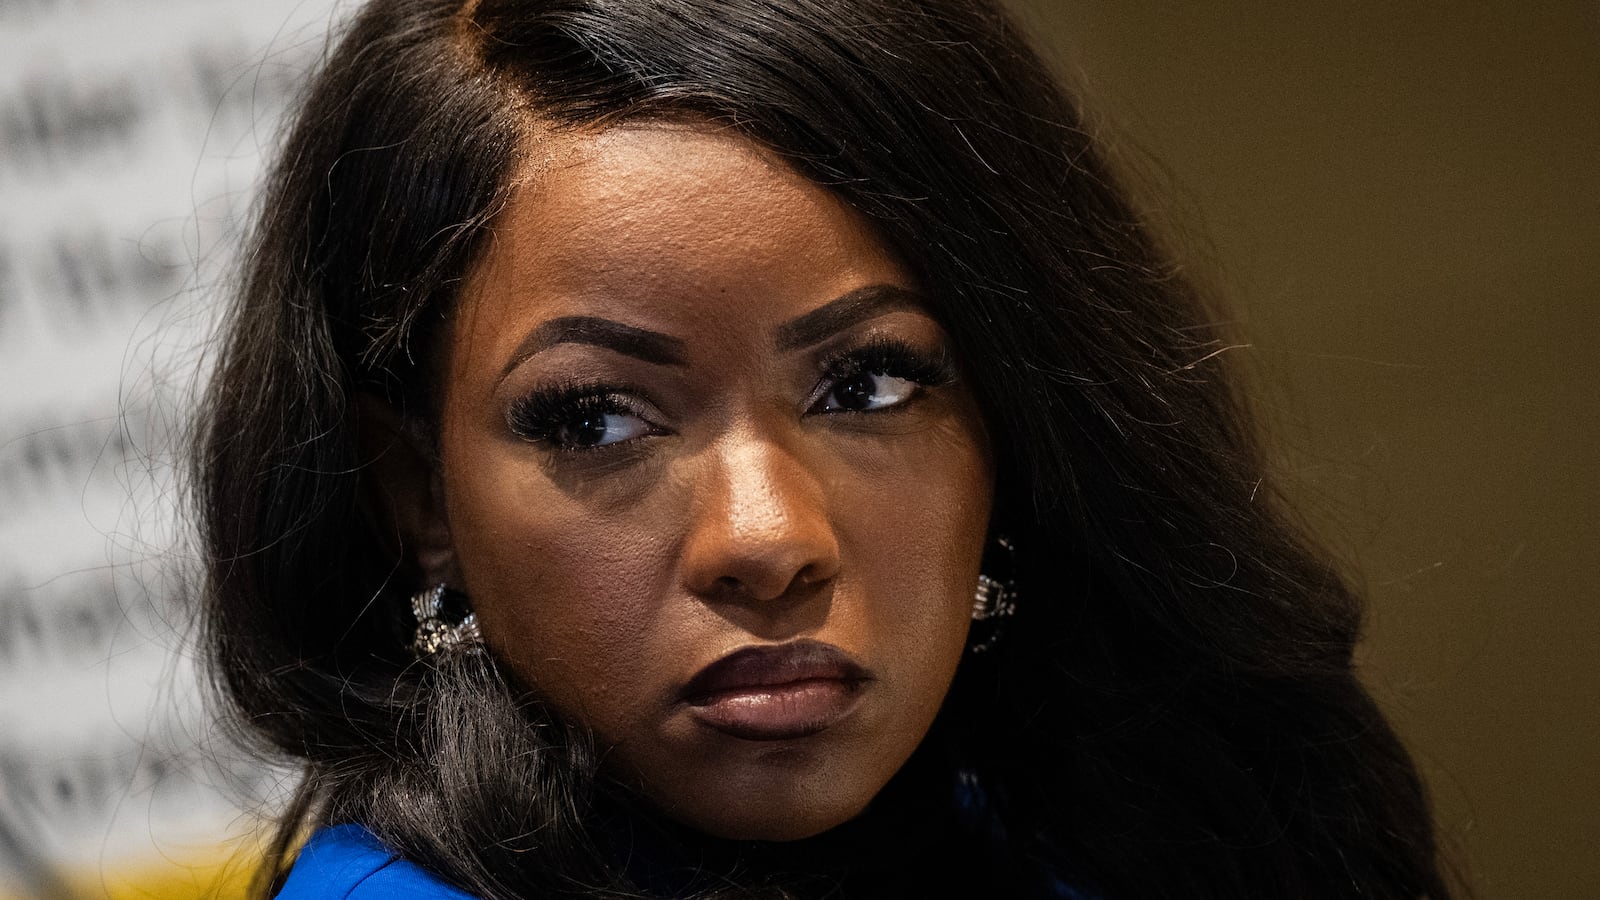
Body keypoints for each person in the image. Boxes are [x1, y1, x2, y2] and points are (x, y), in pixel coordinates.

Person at [191, 0, 1456, 897]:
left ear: (1024, 423)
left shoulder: (1142, 835)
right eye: (596, 418)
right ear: (421, 499)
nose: (768, 539)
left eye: (868, 382)